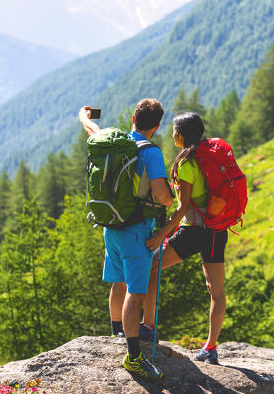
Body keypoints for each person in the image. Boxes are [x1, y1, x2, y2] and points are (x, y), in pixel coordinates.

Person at [78, 99, 173, 381]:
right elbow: (161, 196)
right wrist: (172, 194)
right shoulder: (151, 152)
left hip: (111, 224)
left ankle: (117, 331)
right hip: (137, 230)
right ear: (156, 126)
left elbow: (90, 129)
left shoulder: (115, 143)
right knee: (136, 290)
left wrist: (83, 116)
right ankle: (133, 357)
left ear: (133, 117)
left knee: (118, 280)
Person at [141, 112, 228, 365]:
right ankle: (210, 348)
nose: (171, 134)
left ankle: (148, 328)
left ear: (180, 134)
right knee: (216, 290)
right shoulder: (210, 154)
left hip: (194, 231)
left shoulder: (187, 162)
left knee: (151, 266)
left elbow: (183, 206)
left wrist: (161, 233)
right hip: (216, 229)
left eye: (173, 131)